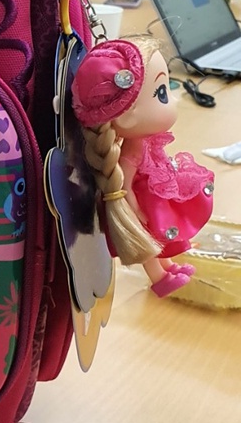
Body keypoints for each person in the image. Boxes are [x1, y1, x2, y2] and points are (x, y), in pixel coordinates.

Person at [70, 37, 214, 297]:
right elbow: (124, 184)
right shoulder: (131, 150)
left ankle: (168, 266)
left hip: (153, 195)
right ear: (127, 117)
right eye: (162, 94)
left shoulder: (142, 142)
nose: (174, 100)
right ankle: (159, 277)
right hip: (143, 202)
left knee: (160, 236)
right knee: (147, 240)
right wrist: (135, 211)